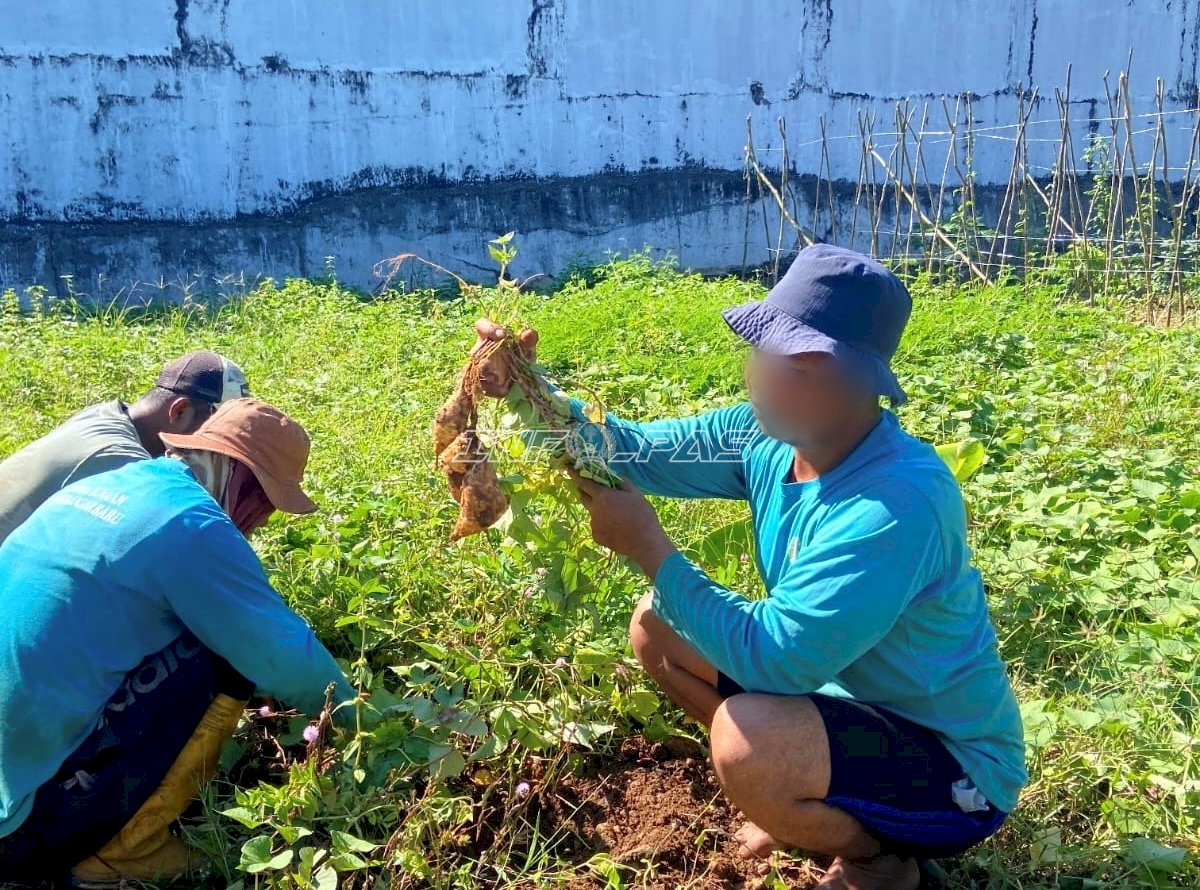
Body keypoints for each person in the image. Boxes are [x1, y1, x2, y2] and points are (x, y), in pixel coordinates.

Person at [475, 244, 1027, 890]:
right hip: (840, 703)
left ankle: (880, 863)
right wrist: (529, 390)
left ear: (821, 371)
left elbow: (777, 660)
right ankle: (800, 793)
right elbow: (628, 450)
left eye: (770, 358)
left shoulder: (895, 504)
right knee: (659, 626)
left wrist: (650, 548)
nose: (751, 372)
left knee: (748, 737)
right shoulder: (766, 437)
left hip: (955, 768)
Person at [0, 397, 357, 886]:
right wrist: (365, 723)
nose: (263, 522)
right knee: (222, 653)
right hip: (25, 829)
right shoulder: (189, 525)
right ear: (242, 479)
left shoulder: (110, 484)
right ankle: (119, 850)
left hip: (13, 783)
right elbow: (284, 654)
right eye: (267, 504)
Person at [0, 349, 250, 545]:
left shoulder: (102, 415)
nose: (216, 447)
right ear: (180, 411)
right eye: (215, 429)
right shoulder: (121, 463)